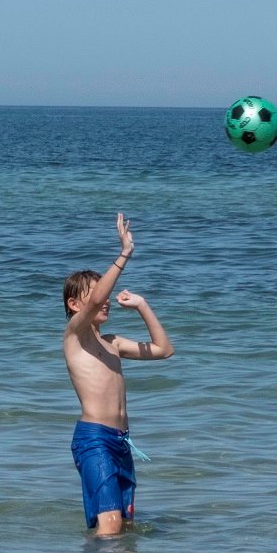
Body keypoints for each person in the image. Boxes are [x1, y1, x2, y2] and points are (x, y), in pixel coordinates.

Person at [62, 213, 174, 536]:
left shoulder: (112, 344)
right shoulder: (74, 336)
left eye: (106, 292)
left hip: (121, 443)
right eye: (97, 294)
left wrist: (141, 305)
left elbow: (164, 349)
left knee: (124, 527)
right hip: (94, 440)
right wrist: (124, 254)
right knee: (109, 526)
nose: (106, 299)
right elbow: (96, 299)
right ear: (74, 303)